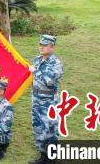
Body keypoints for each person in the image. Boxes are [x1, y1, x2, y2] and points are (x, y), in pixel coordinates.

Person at [28, 34, 63, 164]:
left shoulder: (56, 63)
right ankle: (43, 156)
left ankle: (51, 158)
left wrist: (35, 71)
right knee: (38, 127)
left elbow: (49, 81)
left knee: (50, 129)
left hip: (49, 101)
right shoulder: (37, 60)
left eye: (45, 45)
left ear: (52, 47)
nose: (41, 47)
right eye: (40, 45)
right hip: (36, 99)